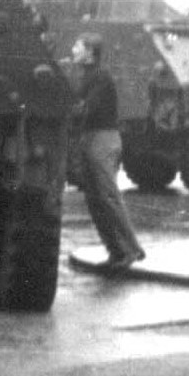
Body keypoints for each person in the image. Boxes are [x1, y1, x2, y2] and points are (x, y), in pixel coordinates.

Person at [70, 34, 146, 269]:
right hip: (92, 139)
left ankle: (131, 249)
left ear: (90, 52)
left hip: (103, 139)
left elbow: (87, 109)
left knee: (108, 196)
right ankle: (116, 251)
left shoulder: (100, 77)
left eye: (77, 46)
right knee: (95, 199)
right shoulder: (88, 76)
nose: (73, 50)